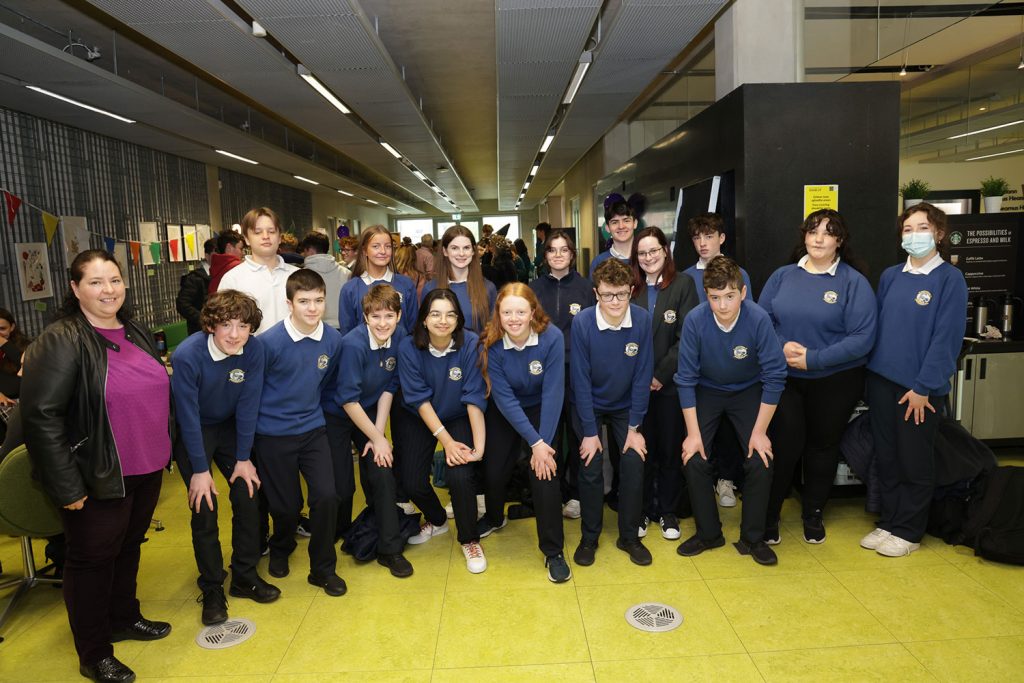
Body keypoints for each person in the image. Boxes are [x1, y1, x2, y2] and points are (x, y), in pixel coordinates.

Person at [21, 249, 172, 683]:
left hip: (145, 464)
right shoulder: (61, 339)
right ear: (75, 288)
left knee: (129, 546)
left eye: (115, 280)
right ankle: (93, 652)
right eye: (95, 282)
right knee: (91, 561)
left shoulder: (134, 329)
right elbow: (42, 417)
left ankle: (124, 618)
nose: (108, 290)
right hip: (97, 472)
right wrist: (67, 486)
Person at [758, 209, 877, 545]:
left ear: (840, 240)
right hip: (785, 378)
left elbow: (863, 338)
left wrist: (814, 359)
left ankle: (813, 513)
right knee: (784, 446)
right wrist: (780, 346)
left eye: (827, 232)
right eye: (813, 232)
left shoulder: (853, 282)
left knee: (822, 447)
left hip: (835, 380)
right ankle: (770, 515)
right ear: (804, 237)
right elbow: (762, 319)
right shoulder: (782, 276)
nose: (819, 239)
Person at [861, 202, 967, 557]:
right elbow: (877, 327)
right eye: (908, 229)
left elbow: (946, 340)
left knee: (914, 460)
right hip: (881, 381)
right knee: (887, 457)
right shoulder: (892, 276)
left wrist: (923, 387)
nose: (914, 235)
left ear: (939, 233)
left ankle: (908, 530)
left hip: (919, 389)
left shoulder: (950, 280)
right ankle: (890, 522)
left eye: (922, 228)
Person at [170, 290, 280, 626]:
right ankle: (212, 586)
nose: (235, 335)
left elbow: (249, 404)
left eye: (243, 326)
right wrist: (199, 470)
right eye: (226, 325)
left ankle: (244, 575)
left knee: (248, 494)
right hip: (195, 430)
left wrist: (244, 458)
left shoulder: (254, 350)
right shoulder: (188, 355)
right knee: (204, 505)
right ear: (210, 325)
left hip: (231, 428)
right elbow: (187, 415)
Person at [674, 256, 788, 566]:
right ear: (706, 295)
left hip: (748, 390)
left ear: (743, 292)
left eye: (729, 296)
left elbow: (775, 376)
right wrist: (693, 435)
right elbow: (685, 379)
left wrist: (760, 432)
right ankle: (709, 534)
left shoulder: (758, 319)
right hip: (707, 389)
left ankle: (753, 538)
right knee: (694, 457)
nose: (723, 305)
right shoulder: (696, 320)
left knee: (761, 458)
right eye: (715, 297)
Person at [253, 269, 346, 595]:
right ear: (289, 303)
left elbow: (328, 384)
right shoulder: (268, 343)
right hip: (272, 434)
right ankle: (281, 546)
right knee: (286, 507)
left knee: (327, 496)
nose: (312, 308)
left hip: (312, 429)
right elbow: (252, 392)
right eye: (304, 301)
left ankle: (322, 568)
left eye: (318, 300)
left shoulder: (333, 340)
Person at [478, 283, 569, 582]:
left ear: (533, 312)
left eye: (520, 312)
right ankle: (494, 517)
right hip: (506, 410)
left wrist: (541, 445)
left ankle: (553, 551)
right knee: (494, 470)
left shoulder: (552, 337)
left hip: (543, 408)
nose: (514, 319)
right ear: (498, 314)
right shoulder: (491, 343)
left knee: (545, 472)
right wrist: (534, 441)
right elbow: (504, 399)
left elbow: (553, 392)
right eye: (507, 312)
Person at [395, 289, 487, 573]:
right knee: (411, 481)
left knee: (461, 475)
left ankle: (469, 539)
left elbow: (474, 398)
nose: (443, 320)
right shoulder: (408, 347)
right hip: (419, 415)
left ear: (458, 319)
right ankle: (437, 519)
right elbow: (419, 400)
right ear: (424, 319)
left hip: (457, 413)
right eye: (435, 314)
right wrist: (446, 441)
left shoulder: (470, 343)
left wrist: (478, 449)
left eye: (450, 314)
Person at [570, 258, 653, 567]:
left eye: (621, 294)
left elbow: (643, 375)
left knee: (633, 461)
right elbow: (580, 380)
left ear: (631, 291)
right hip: (589, 403)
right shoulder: (583, 323)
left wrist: (634, 428)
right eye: (607, 295)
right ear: (596, 294)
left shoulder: (642, 320)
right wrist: (590, 433)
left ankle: (629, 537)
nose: (615, 301)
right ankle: (589, 537)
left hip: (625, 405)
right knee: (590, 465)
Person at [333, 284, 412, 578]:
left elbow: (390, 387)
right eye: (375, 316)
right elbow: (347, 400)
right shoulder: (353, 344)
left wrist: (378, 437)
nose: (382, 323)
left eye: (389, 316)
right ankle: (341, 530)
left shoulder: (400, 337)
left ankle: (389, 549)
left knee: (382, 469)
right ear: (365, 317)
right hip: (337, 414)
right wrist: (378, 438)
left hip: (368, 411)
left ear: (399, 316)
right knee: (342, 487)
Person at [629, 226, 699, 541]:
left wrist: (660, 375)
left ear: (665, 250)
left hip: (670, 386)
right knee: (642, 451)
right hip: (636, 387)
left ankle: (668, 511)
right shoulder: (630, 287)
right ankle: (643, 510)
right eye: (642, 253)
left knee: (670, 450)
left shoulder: (683, 284)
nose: (648, 257)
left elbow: (687, 338)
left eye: (653, 251)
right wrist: (643, 378)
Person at [682, 212, 753, 508]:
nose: (703, 243)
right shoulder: (686, 277)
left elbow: (749, 321)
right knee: (700, 433)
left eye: (709, 236)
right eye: (697, 237)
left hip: (734, 368)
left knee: (731, 432)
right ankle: (701, 486)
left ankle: (727, 479)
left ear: (721, 238)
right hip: (698, 370)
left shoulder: (739, 274)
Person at [529, 230, 594, 519]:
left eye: (563, 250)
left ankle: (577, 495)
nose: (558, 255)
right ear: (545, 256)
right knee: (548, 435)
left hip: (577, 373)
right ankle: (550, 492)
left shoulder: (586, 288)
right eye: (552, 250)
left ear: (572, 254)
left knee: (578, 434)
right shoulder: (533, 289)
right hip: (543, 375)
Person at [218, 207, 298, 333]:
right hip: (251, 346)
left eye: (271, 231)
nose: (265, 236)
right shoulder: (233, 279)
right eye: (257, 232)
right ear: (247, 239)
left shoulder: (298, 276)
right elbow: (224, 326)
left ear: (279, 237)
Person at [338, 225, 418, 335]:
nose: (383, 251)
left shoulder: (406, 284)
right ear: (364, 251)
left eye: (388, 246)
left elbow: (413, 327)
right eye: (376, 246)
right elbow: (348, 333)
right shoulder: (350, 289)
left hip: (401, 346)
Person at [422, 225, 496, 333]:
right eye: (454, 248)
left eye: (466, 248)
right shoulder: (430, 289)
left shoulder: (488, 288)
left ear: (473, 251)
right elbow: (423, 330)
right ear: (445, 251)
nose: (461, 253)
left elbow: (493, 330)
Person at [300, 231, 351, 330]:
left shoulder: (300, 276)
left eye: (304, 251)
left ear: (309, 250)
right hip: (343, 329)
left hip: (313, 329)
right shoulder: (347, 274)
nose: (303, 254)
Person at [589, 195, 638, 277]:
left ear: (635, 223)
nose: (621, 226)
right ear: (607, 228)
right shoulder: (599, 262)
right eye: (615, 222)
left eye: (626, 221)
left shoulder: (647, 258)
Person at [176, 238, 216, 334]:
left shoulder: (222, 274)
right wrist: (203, 319)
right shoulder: (194, 277)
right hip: (200, 331)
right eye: (216, 254)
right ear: (207, 256)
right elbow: (182, 304)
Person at [0, 307, 29, 405]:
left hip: (22, 400)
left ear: (12, 327)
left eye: (2, 329)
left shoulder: (24, 345)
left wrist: (4, 344)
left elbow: (29, 366)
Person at [208, 230, 245, 294]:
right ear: (229, 248)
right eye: (241, 249)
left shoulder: (215, 267)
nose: (243, 253)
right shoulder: (238, 267)